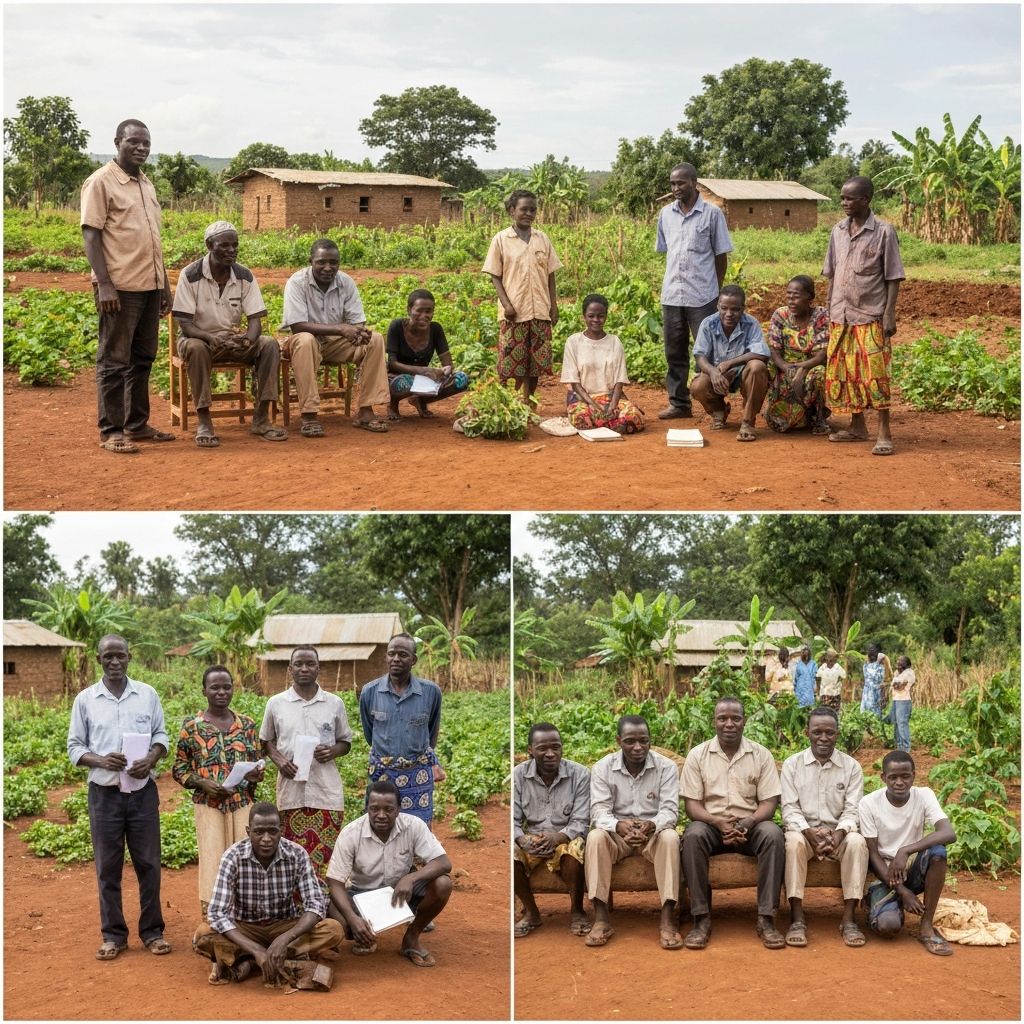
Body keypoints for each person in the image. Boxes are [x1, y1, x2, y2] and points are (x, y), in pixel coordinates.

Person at [66, 634, 171, 960]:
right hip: (104, 795)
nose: (115, 662)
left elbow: (160, 736)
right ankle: (113, 935)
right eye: (108, 656)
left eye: (120, 656)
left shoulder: (147, 695)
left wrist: (151, 759)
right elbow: (74, 747)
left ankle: (152, 932)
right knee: (107, 867)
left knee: (149, 865)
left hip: (141, 793)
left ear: (129, 657)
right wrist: (101, 759)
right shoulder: (85, 699)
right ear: (99, 659)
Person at [81, 118, 175, 454]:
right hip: (119, 287)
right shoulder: (101, 183)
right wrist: (104, 283)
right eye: (134, 142)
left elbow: (153, 241)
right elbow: (91, 233)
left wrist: (163, 286)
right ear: (118, 141)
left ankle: (137, 424)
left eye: (146, 143)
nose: (141, 148)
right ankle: (111, 431)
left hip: (149, 287)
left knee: (143, 359)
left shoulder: (145, 184)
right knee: (114, 361)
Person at [193, 801, 344, 985]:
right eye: (258, 832)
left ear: (281, 830)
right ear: (249, 832)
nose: (266, 839)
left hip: (284, 927)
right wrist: (256, 949)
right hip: (246, 928)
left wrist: (286, 938)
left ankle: (248, 959)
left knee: (333, 930)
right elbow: (217, 913)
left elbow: (315, 904)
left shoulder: (297, 854)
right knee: (203, 935)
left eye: (272, 831)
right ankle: (272, 958)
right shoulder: (232, 857)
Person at [680, 697, 785, 950]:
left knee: (773, 834)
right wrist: (717, 822)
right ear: (714, 721)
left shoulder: (761, 754)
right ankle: (701, 919)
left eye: (735, 718)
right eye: (722, 718)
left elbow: (769, 803)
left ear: (744, 721)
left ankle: (766, 919)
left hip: (751, 825)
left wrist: (748, 822)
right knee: (692, 836)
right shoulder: (698, 755)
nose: (729, 724)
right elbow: (692, 806)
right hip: (711, 826)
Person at [171, 220, 285, 447]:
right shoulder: (190, 275)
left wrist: (248, 339)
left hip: (233, 339)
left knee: (269, 345)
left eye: (235, 245)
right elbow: (185, 324)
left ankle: (261, 419)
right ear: (209, 245)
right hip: (199, 339)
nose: (231, 250)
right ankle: (204, 421)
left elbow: (255, 320)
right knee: (195, 348)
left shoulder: (244, 275)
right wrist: (210, 337)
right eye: (224, 246)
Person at [326, 779, 452, 968]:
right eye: (374, 809)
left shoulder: (413, 826)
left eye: (389, 809)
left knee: (443, 884)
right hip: (362, 896)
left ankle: (411, 937)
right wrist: (353, 919)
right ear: (367, 807)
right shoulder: (351, 833)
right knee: (339, 918)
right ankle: (363, 934)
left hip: (400, 893)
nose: (381, 815)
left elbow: (443, 862)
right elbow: (334, 882)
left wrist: (411, 877)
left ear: (399, 809)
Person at [822, 175, 906, 456]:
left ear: (865, 200)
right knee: (847, 374)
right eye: (842, 198)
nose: (844, 203)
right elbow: (832, 274)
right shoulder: (837, 231)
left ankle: (884, 431)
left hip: (870, 315)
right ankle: (857, 426)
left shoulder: (884, 232)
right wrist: (828, 310)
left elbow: (893, 277)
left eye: (849, 198)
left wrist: (889, 314)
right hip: (840, 314)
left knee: (876, 375)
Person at [584, 715, 681, 950]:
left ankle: (667, 918)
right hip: (618, 834)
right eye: (630, 741)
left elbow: (669, 810)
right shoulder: (603, 768)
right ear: (619, 740)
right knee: (595, 837)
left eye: (643, 741)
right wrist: (619, 825)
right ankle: (601, 918)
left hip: (652, 833)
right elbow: (598, 811)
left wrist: (651, 825)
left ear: (650, 741)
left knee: (670, 837)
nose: (638, 747)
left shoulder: (666, 767)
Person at [172, 665, 265, 911]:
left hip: (242, 803)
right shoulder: (192, 727)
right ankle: (213, 917)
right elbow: (179, 768)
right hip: (208, 804)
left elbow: (257, 765)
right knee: (213, 858)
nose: (221, 692)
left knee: (246, 858)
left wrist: (256, 775)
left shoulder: (247, 725)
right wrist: (202, 783)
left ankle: (246, 914)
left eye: (226, 687)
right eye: (215, 687)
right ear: (204, 691)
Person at [260, 647, 353, 889]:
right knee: (291, 858)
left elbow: (345, 742)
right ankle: (295, 913)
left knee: (325, 859)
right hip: (290, 794)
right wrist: (280, 761)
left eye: (310, 664)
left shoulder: (334, 703)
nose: (304, 669)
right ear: (290, 669)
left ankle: (323, 914)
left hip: (326, 795)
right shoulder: (276, 703)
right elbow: (266, 740)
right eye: (298, 664)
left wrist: (332, 751)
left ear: (318, 668)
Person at [281, 239, 391, 435]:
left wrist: (359, 332)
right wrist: (341, 329)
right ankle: (309, 415)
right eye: (321, 262)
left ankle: (366, 410)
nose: (328, 268)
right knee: (306, 340)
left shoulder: (345, 282)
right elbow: (297, 325)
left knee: (375, 339)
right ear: (311, 261)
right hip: (303, 343)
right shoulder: (297, 282)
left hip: (335, 344)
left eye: (333, 262)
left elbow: (356, 320)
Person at [781, 706, 869, 948]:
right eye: (817, 732)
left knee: (857, 843)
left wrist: (839, 834)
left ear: (837, 734)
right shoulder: (792, 765)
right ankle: (797, 917)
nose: (823, 738)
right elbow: (789, 808)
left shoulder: (851, 767)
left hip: (838, 833)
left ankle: (849, 919)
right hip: (804, 831)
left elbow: (853, 810)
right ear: (807, 732)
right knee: (793, 843)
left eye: (829, 733)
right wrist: (809, 833)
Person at [655, 162, 733, 420]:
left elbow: (721, 256)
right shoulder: (666, 214)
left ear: (694, 183)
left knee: (707, 353)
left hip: (703, 296)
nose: (676, 188)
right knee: (674, 352)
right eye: (673, 183)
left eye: (681, 183)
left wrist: (717, 292)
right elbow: (668, 251)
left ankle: (715, 406)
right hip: (672, 295)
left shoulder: (712, 214)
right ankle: (679, 404)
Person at [859, 751, 956, 955]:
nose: (899, 782)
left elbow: (948, 832)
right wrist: (904, 892)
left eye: (905, 776)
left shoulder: (923, 795)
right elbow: (874, 855)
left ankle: (926, 926)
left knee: (938, 852)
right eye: (893, 777)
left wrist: (905, 850)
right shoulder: (869, 803)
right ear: (883, 777)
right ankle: (883, 904)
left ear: (914, 775)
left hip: (909, 866)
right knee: (888, 927)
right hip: (883, 873)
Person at [482, 188, 562, 403]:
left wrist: (553, 306)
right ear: (512, 211)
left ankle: (528, 401)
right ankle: (507, 402)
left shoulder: (542, 239)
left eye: (532, 210)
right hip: (514, 313)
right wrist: (507, 304)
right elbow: (495, 276)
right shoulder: (501, 239)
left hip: (540, 311)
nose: (528, 213)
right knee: (509, 361)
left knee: (535, 363)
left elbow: (550, 275)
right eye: (523, 209)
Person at [513, 723, 591, 938]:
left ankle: (577, 910)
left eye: (556, 747)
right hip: (533, 838)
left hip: (566, 836)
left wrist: (557, 837)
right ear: (530, 749)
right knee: (510, 853)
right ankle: (532, 912)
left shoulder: (580, 774)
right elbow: (513, 820)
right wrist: (522, 840)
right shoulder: (519, 775)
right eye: (542, 748)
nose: (550, 753)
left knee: (575, 850)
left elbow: (581, 820)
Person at [359, 633, 442, 825]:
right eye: (391, 654)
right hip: (383, 773)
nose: (396, 659)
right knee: (381, 825)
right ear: (386, 656)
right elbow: (370, 734)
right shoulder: (369, 692)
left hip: (418, 775)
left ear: (413, 660)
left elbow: (431, 734)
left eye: (403, 654)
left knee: (418, 829)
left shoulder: (431, 692)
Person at [690, 285, 771, 441]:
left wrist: (731, 363)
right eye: (724, 308)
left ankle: (748, 421)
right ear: (718, 306)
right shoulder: (708, 323)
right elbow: (699, 356)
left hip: (743, 374)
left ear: (743, 308)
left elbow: (762, 353)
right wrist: (713, 373)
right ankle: (719, 411)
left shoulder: (751, 323)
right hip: (717, 375)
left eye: (735, 309)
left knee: (757, 367)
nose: (728, 314)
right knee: (698, 386)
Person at [560, 294, 645, 434]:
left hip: (609, 398)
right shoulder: (573, 342)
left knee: (633, 415)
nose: (596, 320)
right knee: (581, 417)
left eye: (600, 316)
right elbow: (574, 383)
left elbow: (619, 381)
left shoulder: (614, 342)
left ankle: (603, 423)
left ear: (606, 316)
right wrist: (592, 404)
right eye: (591, 316)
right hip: (583, 399)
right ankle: (614, 424)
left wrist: (613, 405)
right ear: (584, 316)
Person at [385, 289, 469, 420]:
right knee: (403, 382)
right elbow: (392, 364)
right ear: (409, 310)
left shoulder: (436, 329)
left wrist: (445, 370)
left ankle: (421, 400)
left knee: (461, 380)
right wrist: (424, 370)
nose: (424, 315)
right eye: (419, 310)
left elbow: (448, 364)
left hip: (424, 379)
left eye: (428, 311)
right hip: (397, 376)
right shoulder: (397, 326)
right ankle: (393, 404)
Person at [764, 275, 831, 434]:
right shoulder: (780, 315)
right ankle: (772, 408)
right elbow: (774, 350)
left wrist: (802, 369)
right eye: (788, 295)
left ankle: (819, 418)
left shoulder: (820, 316)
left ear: (810, 298)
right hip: (785, 368)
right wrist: (788, 368)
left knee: (819, 374)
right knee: (763, 369)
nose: (791, 301)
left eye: (796, 296)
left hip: (811, 366)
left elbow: (822, 355)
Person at [890, 655, 916, 752]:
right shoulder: (897, 673)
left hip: (904, 701)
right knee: (897, 723)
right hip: (896, 700)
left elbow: (899, 687)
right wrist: (896, 684)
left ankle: (906, 748)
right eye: (898, 660)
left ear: (906, 663)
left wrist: (896, 684)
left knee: (902, 724)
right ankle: (899, 747)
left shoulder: (909, 673)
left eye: (900, 661)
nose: (898, 662)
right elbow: (895, 685)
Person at [860, 644, 891, 718]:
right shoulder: (866, 665)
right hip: (866, 694)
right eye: (870, 651)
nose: (872, 653)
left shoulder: (881, 666)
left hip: (877, 694)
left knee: (875, 717)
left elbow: (883, 681)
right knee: (864, 716)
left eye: (874, 651)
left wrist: (884, 696)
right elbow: (869, 676)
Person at [816, 649, 847, 715]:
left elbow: (844, 676)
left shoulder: (837, 667)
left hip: (835, 694)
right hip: (825, 694)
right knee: (826, 713)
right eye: (829, 657)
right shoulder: (823, 667)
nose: (830, 659)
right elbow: (817, 677)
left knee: (834, 713)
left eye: (832, 657)